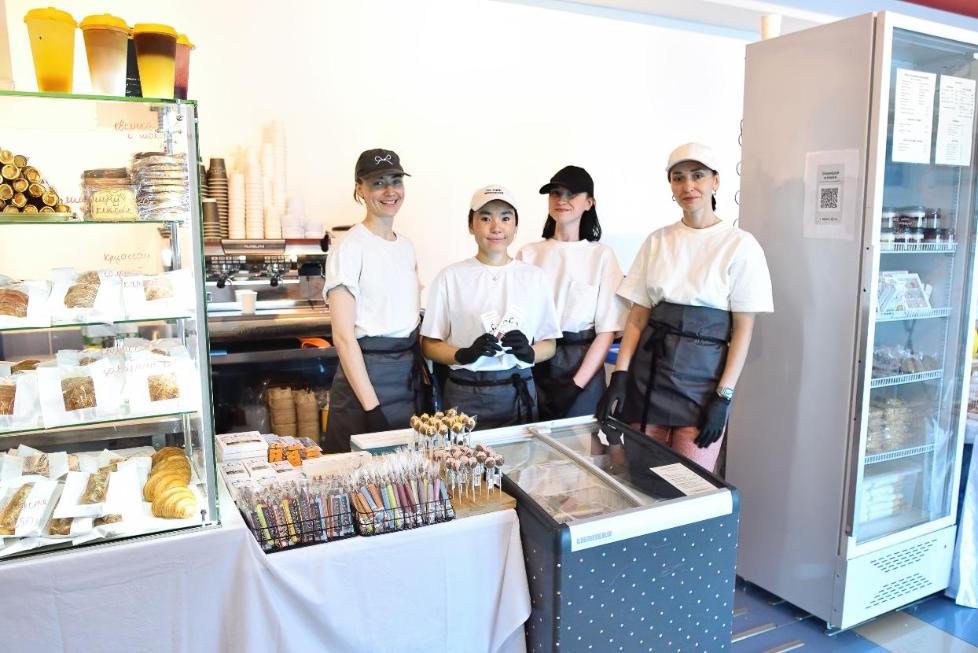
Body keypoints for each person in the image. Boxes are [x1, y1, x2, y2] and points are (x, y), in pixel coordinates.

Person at [595, 143, 773, 472]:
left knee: (692, 483)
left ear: (715, 181)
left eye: (698, 176)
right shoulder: (657, 241)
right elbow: (637, 317)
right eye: (678, 178)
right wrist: (620, 375)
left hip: (702, 386)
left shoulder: (740, 245)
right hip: (649, 378)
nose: (688, 185)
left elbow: (743, 330)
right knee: (642, 477)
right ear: (671, 186)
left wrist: (724, 397)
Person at [421, 185, 561, 429]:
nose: (496, 227)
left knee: (519, 454)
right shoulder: (450, 277)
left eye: (505, 218)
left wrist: (529, 353)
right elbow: (429, 345)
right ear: (471, 225)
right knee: (461, 454)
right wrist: (463, 354)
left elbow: (549, 344)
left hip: (517, 393)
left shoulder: (534, 278)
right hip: (464, 394)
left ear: (515, 226)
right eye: (485, 218)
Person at [322, 148, 430, 453]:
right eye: (378, 183)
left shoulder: (406, 247)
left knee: (407, 475)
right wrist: (372, 409)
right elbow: (343, 338)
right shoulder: (349, 247)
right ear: (360, 188)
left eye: (396, 181)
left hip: (406, 379)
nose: (390, 191)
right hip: (365, 384)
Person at [517, 165, 627, 421]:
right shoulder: (528, 254)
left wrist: (575, 387)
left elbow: (607, 331)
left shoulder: (601, 256)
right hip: (533, 364)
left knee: (581, 443)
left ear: (589, 203)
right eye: (555, 193)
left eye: (571, 194)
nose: (561, 200)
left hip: (582, 368)